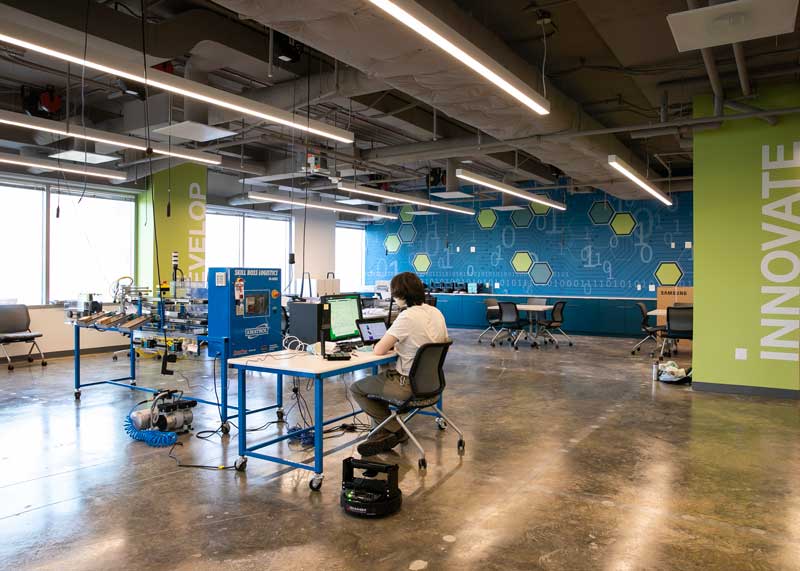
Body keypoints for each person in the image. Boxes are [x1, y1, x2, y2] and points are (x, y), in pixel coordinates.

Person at [350, 272, 448, 456]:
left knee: (357, 388)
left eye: (394, 293)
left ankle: (396, 430)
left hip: (407, 386)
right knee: (376, 383)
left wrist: (392, 346)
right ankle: (383, 433)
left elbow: (379, 350)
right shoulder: (436, 312)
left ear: (401, 294)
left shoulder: (407, 317)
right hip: (432, 385)